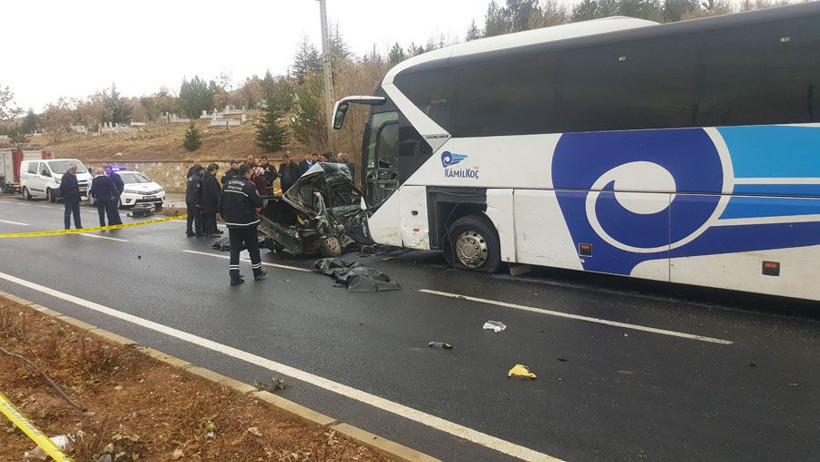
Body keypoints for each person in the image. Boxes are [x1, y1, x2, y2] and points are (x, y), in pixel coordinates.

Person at [219, 164, 267, 285]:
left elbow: (220, 202)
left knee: (234, 249)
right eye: (250, 172)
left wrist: (225, 216)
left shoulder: (227, 184)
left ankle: (234, 276)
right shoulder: (248, 186)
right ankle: (257, 271)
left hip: (232, 223)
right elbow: (258, 202)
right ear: (246, 173)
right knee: (253, 248)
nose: (251, 174)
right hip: (247, 223)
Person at [201, 163, 223, 237]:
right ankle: (210, 232)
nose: (216, 172)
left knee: (210, 216)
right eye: (216, 170)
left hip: (206, 200)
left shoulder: (206, 176)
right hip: (210, 200)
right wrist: (219, 199)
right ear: (214, 170)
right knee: (210, 216)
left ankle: (213, 229)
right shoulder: (210, 178)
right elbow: (214, 191)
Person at [59, 164, 82, 230]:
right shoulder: (65, 176)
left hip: (75, 198)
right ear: (72, 169)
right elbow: (63, 187)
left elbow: (76, 187)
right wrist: (66, 195)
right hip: (68, 198)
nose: (76, 170)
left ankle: (78, 226)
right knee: (68, 213)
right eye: (75, 169)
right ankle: (67, 226)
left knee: (77, 213)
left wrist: (78, 197)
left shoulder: (74, 176)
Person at [186, 165, 204, 237]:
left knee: (190, 216)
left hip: (188, 199)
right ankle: (198, 232)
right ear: (199, 171)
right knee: (197, 216)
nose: (203, 172)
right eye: (202, 170)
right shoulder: (197, 179)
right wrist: (197, 202)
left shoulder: (190, 178)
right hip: (194, 200)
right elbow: (196, 191)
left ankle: (189, 231)